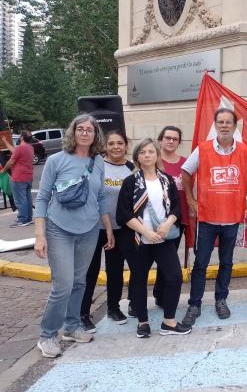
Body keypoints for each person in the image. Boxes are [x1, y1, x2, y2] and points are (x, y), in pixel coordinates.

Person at [34, 114, 114, 358]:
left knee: (80, 282)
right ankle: (47, 335)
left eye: (90, 129)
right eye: (81, 128)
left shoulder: (98, 162)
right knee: (63, 284)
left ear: (95, 135)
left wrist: (107, 228)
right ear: (73, 132)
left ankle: (71, 326)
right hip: (59, 228)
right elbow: (42, 197)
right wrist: (40, 234)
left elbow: (100, 196)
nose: (85, 132)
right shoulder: (56, 160)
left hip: (90, 229)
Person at [181, 108, 247, 326]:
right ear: (215, 125)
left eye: (228, 122)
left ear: (235, 126)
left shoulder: (244, 150)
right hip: (207, 218)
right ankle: (194, 303)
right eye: (220, 122)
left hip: (232, 218)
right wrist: (190, 199)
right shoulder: (203, 149)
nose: (224, 125)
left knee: (226, 262)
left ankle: (221, 300)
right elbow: (186, 172)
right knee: (201, 263)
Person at [116, 138, 190, 338]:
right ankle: (143, 322)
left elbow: (176, 207)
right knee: (138, 280)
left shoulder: (166, 180)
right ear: (137, 157)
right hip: (139, 240)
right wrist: (146, 232)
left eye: (151, 152)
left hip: (163, 239)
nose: (147, 155)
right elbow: (123, 214)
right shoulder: (130, 182)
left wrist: (167, 224)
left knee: (174, 277)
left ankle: (169, 322)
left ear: (157, 155)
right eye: (143, 152)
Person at [80, 130, 136, 333]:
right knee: (90, 272)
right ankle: (83, 314)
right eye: (111, 143)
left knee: (115, 270)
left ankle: (113, 308)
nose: (116, 147)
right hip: (94, 227)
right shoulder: (96, 165)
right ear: (106, 146)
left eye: (120, 143)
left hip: (120, 229)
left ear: (126, 146)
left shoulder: (131, 168)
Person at [153, 126, 189, 309]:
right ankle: (137, 301)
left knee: (168, 259)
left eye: (175, 139)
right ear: (160, 139)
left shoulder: (185, 163)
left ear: (179, 142)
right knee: (149, 260)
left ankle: (160, 294)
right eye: (167, 137)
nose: (171, 141)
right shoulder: (153, 160)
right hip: (153, 219)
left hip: (176, 220)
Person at [1, 132, 34, 227]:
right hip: (28, 177)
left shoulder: (20, 148)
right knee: (27, 198)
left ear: (22, 137)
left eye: (20, 135)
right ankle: (28, 218)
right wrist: (5, 141)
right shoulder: (29, 147)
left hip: (19, 177)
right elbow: (14, 150)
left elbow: (11, 161)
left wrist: (4, 170)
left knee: (20, 199)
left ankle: (22, 220)